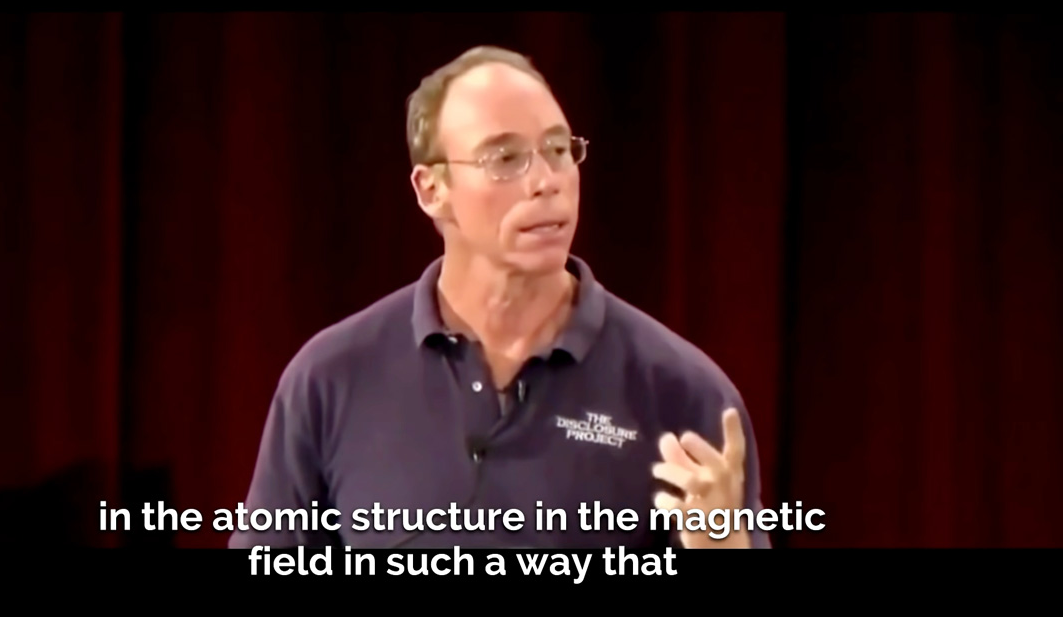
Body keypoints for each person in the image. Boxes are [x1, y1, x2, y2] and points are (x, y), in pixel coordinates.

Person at [228, 46, 770, 550]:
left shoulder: (682, 393)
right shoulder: (331, 379)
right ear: (431, 190)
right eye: (505, 159)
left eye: (558, 150)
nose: (546, 182)